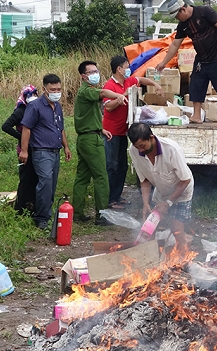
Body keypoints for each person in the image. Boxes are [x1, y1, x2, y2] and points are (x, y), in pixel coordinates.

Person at [155, 0, 217, 125]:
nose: (177, 19)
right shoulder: (183, 25)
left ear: (183, 9)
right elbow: (175, 44)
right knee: (196, 84)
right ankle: (196, 115)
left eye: (177, 15)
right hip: (201, 59)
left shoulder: (204, 11)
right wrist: (164, 63)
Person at [102, 55, 164, 210]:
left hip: (124, 132)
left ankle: (117, 196)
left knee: (122, 165)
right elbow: (108, 107)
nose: (129, 69)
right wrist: (121, 97)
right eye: (126, 66)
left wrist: (155, 84)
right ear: (119, 69)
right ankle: (109, 199)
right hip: (111, 132)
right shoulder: (109, 86)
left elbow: (141, 81)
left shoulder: (129, 81)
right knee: (111, 165)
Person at [73, 60, 128, 225]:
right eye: (91, 72)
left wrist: (101, 129)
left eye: (96, 71)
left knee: (82, 177)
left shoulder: (87, 92)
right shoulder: (86, 91)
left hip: (87, 136)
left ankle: (77, 212)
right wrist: (118, 95)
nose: (95, 74)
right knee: (101, 176)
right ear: (83, 77)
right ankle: (102, 214)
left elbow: (88, 116)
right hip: (90, 141)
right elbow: (103, 93)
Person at [18, 74, 72, 230]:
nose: (56, 92)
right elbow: (26, 129)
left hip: (55, 151)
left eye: (59, 89)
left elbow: (60, 128)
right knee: (46, 182)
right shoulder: (35, 107)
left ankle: (47, 212)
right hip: (41, 151)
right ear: (44, 89)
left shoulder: (58, 107)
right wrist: (25, 150)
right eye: (53, 89)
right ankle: (41, 217)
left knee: (52, 183)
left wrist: (66, 147)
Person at [127, 123, 194, 247]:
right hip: (161, 190)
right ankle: (152, 258)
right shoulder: (134, 150)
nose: (140, 150)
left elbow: (185, 180)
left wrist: (168, 203)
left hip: (182, 190)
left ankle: (183, 261)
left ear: (151, 137)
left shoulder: (171, 149)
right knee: (149, 227)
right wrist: (146, 203)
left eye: (142, 146)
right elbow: (145, 180)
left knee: (176, 229)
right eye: (137, 147)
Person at [2, 85, 40, 215]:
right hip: (24, 150)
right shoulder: (20, 111)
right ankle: (20, 210)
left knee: (35, 178)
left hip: (36, 148)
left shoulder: (35, 109)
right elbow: (6, 126)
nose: (33, 97)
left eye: (35, 94)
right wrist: (21, 137)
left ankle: (32, 206)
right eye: (30, 95)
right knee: (25, 179)